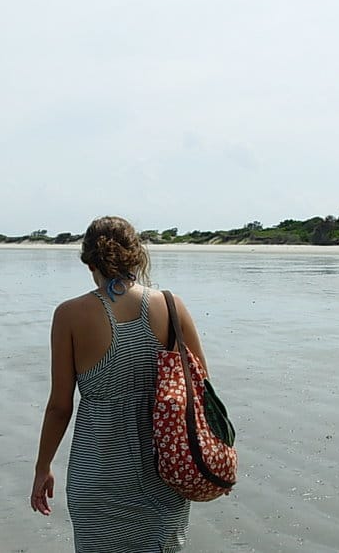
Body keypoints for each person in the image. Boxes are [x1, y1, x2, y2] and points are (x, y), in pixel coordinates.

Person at [30, 216, 209, 552]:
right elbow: (202, 387)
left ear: (88, 262)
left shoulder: (69, 315)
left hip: (96, 479)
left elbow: (59, 407)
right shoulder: (171, 306)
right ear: (137, 256)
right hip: (164, 477)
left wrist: (43, 467)